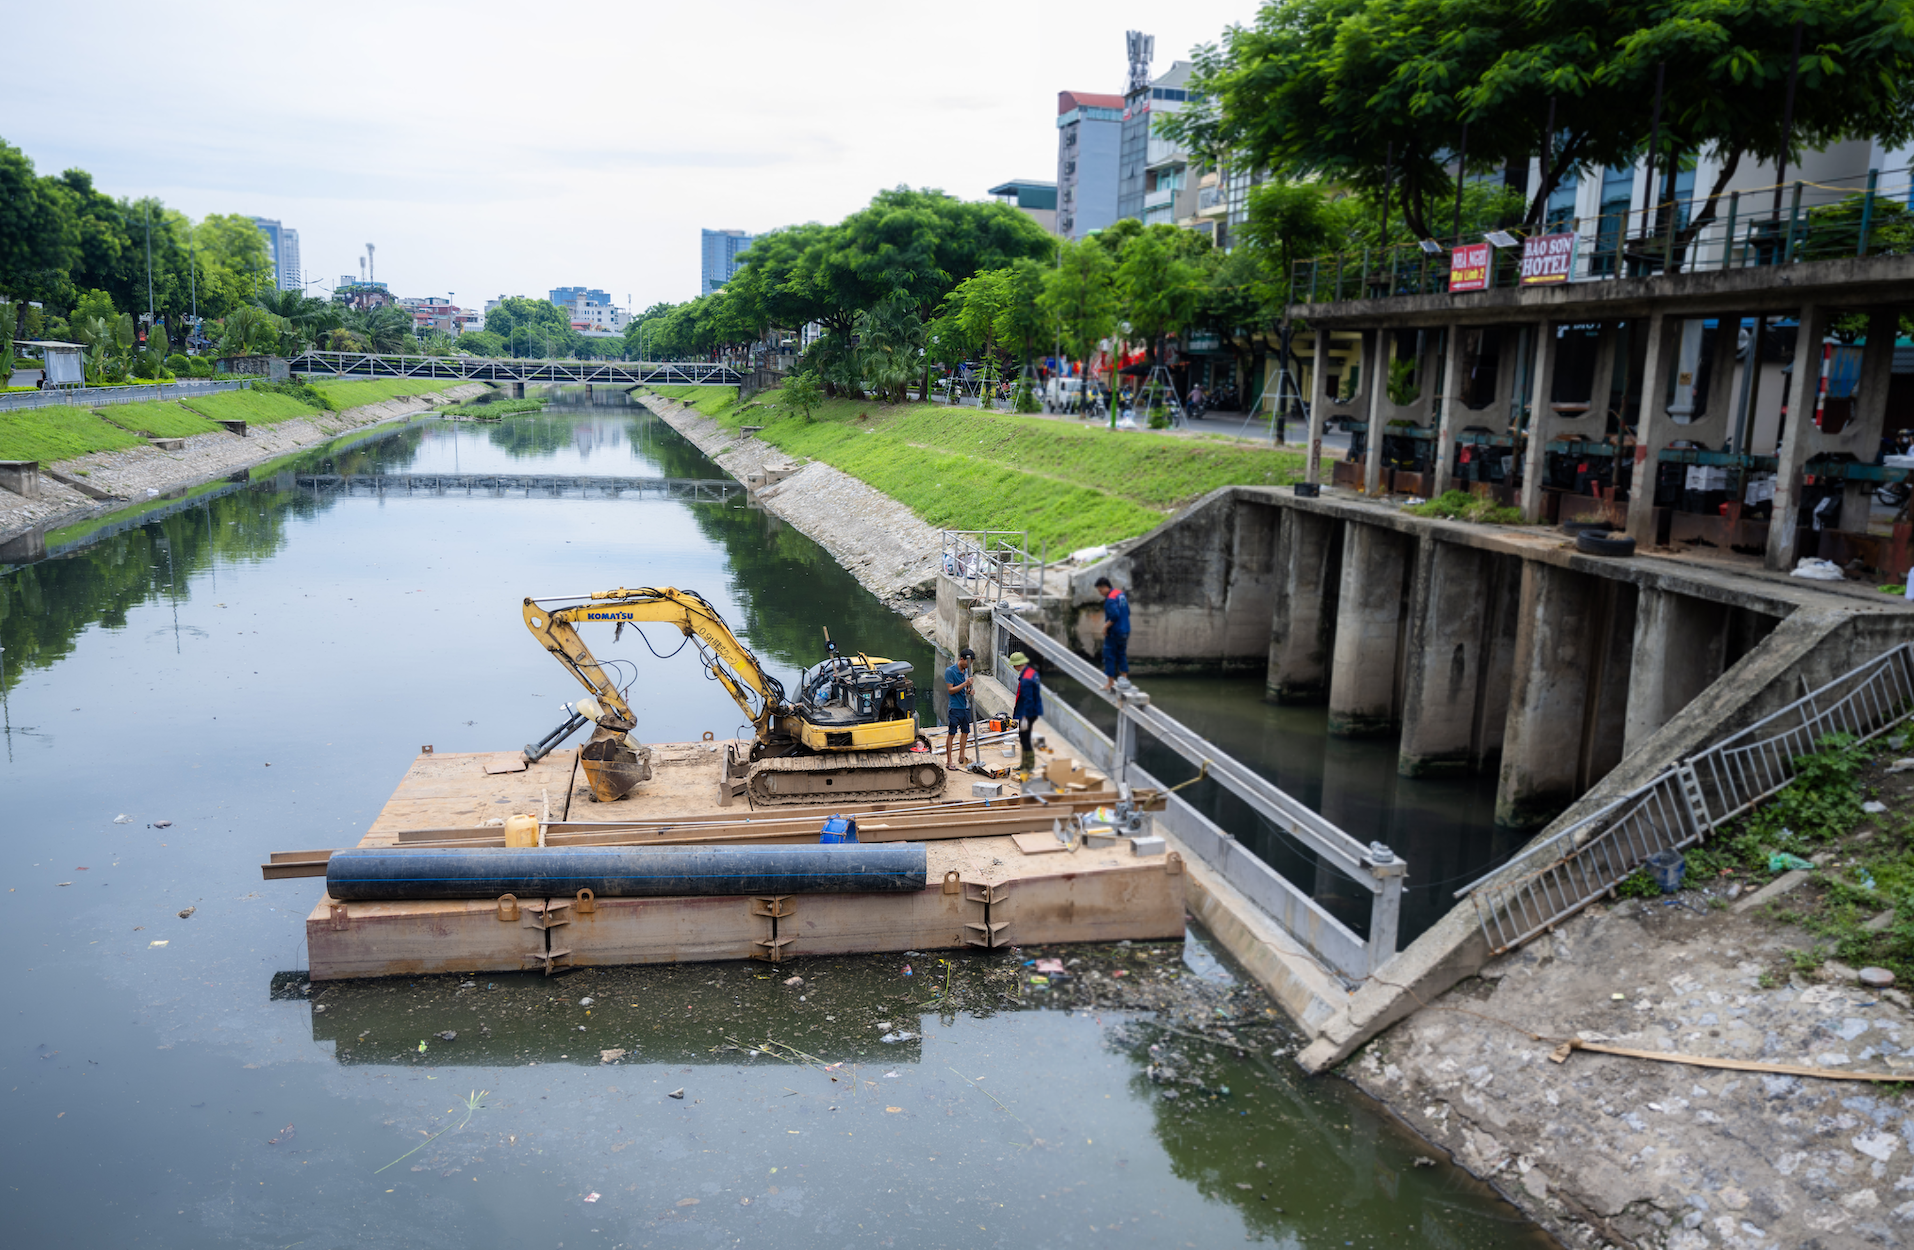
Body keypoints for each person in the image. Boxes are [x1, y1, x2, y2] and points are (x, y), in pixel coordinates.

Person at [1008, 650, 1043, 780]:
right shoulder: (1030, 673)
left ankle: (1027, 768)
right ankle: (1025, 764)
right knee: (1024, 738)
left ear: (1018, 664)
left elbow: (1028, 698)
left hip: (1027, 713)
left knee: (1025, 739)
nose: (1013, 667)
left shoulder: (1027, 678)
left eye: (1014, 665)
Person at [1095, 576, 1131, 693]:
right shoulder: (1120, 594)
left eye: (1100, 590)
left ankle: (1110, 683)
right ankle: (1124, 679)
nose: (1100, 593)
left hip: (1114, 632)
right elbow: (1128, 611)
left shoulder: (1110, 599)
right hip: (1125, 630)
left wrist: (1105, 627)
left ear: (1105, 587)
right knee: (1121, 654)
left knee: (1109, 655)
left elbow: (1115, 615)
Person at [943, 648, 975, 768]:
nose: (968, 666)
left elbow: (966, 690)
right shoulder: (950, 671)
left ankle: (962, 755)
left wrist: (969, 690)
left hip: (965, 707)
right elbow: (951, 690)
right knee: (952, 734)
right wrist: (965, 684)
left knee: (965, 732)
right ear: (962, 659)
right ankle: (949, 760)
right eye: (968, 663)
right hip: (955, 707)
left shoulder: (966, 672)